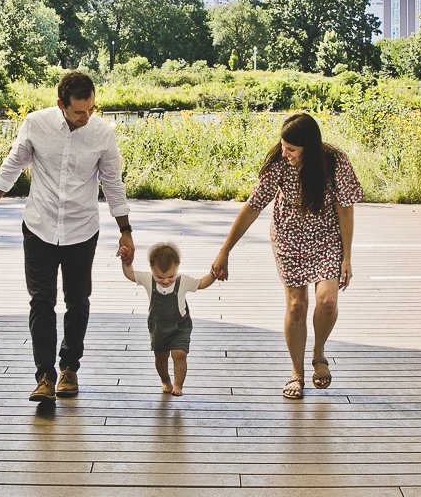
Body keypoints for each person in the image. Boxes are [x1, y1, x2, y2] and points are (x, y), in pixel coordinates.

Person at [0, 71, 133, 403]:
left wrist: (125, 231)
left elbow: (113, 183)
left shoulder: (103, 134)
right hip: (40, 226)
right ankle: (45, 377)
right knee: (41, 302)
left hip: (82, 229)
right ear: (61, 104)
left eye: (91, 108)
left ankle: (69, 369)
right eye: (79, 111)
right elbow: (12, 164)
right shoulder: (36, 124)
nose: (87, 116)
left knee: (78, 302)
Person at [211, 111, 361, 399]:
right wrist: (225, 251)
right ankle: (297, 372)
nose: (285, 152)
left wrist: (347, 257)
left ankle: (318, 353)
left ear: (310, 148)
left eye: (292, 149)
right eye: (283, 146)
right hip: (289, 238)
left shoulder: (335, 162)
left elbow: (345, 207)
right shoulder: (279, 164)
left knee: (327, 301)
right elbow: (253, 206)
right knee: (296, 306)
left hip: (326, 237)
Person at [122, 241, 216, 396]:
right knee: (161, 357)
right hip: (158, 327)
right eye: (160, 277)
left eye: (170, 276)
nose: (165, 281)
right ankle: (165, 380)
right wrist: (126, 262)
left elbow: (201, 284)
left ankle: (178, 385)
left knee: (180, 354)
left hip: (180, 326)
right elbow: (130, 274)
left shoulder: (182, 281)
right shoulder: (147, 279)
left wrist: (213, 274)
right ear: (152, 268)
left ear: (177, 267)